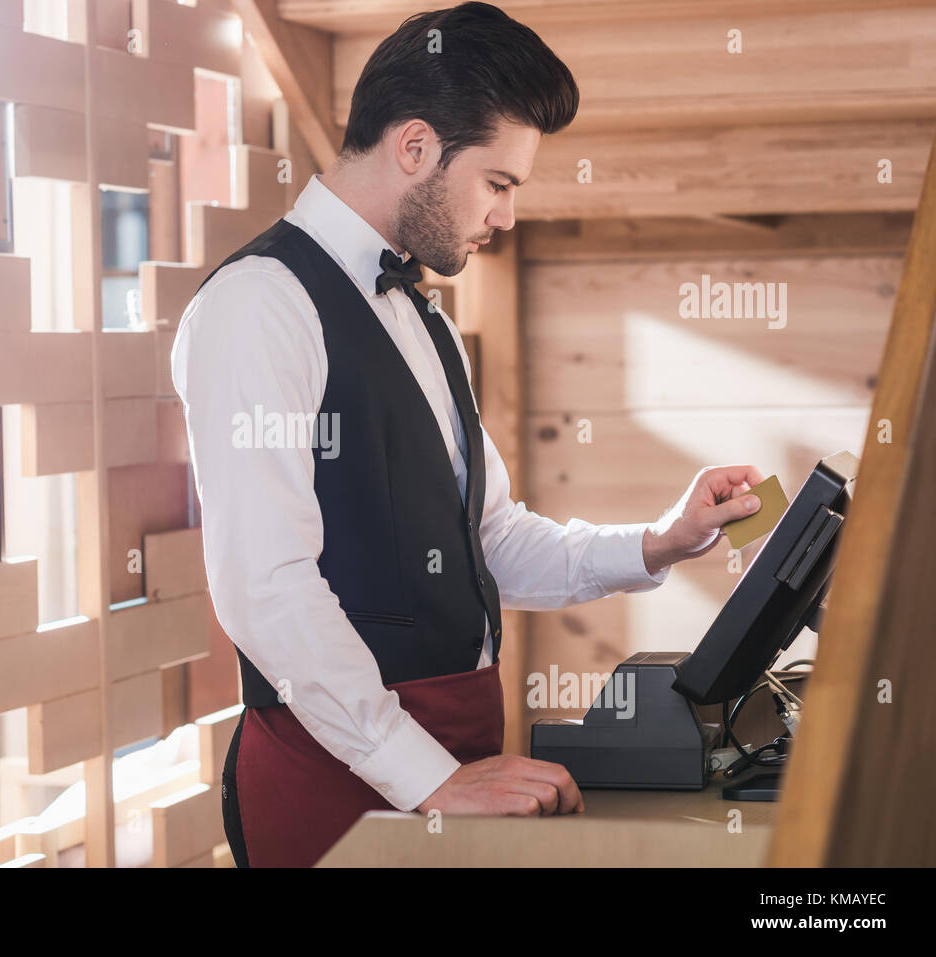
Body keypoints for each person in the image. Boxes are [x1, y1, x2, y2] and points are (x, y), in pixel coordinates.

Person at [171, 1, 764, 868]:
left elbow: (491, 540)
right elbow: (265, 587)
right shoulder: (257, 305)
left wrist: (658, 541)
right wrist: (427, 776)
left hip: (456, 759)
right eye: (499, 183)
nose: (509, 216)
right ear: (415, 147)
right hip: (334, 775)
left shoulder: (429, 323)